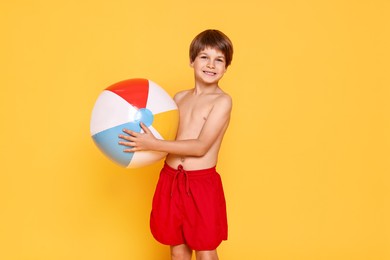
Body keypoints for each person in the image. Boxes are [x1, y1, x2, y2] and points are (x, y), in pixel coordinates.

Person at [119, 29, 233, 260]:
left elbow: (200, 147)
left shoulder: (222, 101)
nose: (211, 65)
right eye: (204, 57)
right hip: (171, 181)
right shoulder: (179, 98)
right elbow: (168, 137)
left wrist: (154, 144)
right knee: (177, 247)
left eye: (219, 60)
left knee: (206, 249)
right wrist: (144, 139)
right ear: (192, 60)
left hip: (201, 185)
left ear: (226, 67)